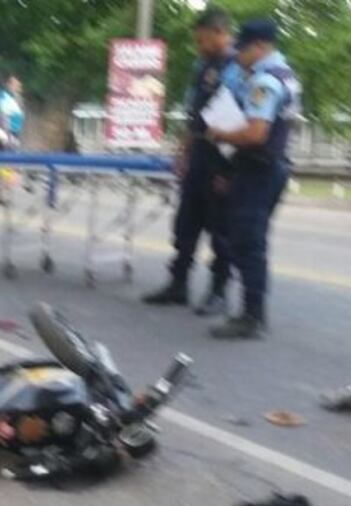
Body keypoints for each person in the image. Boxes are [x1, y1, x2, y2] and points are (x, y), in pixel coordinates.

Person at [207, 18, 300, 339]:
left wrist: (220, 133)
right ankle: (252, 312)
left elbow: (256, 133)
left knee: (248, 242)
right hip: (265, 168)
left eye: (242, 49)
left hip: (259, 168)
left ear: (259, 46)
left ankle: (251, 317)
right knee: (249, 240)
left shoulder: (265, 82)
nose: (237, 55)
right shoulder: (285, 75)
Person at [143, 8, 236, 317]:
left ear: (220, 33)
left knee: (220, 230)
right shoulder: (202, 65)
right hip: (199, 154)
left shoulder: (238, 66)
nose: (199, 47)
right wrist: (182, 153)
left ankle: (218, 291)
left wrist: (229, 170)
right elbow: (193, 115)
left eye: (203, 40)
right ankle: (178, 283)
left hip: (223, 157)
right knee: (186, 224)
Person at [0, 75, 25, 144]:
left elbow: (20, 114)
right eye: (14, 85)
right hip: (3, 130)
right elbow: (2, 115)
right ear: (8, 84)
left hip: (15, 131)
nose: (15, 87)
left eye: (17, 86)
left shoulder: (19, 98)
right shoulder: (1, 95)